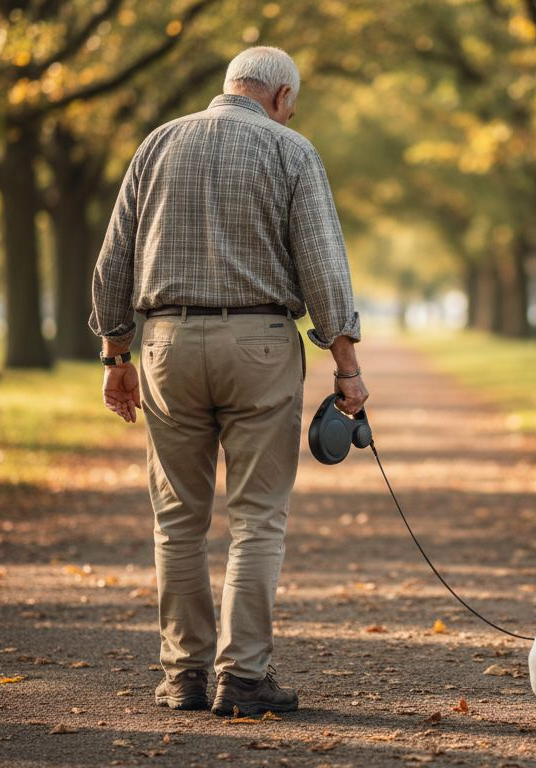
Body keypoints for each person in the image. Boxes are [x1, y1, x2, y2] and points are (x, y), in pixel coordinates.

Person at [88, 46, 368, 717]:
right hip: (260, 343)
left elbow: (114, 260)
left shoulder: (157, 143)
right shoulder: (291, 149)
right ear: (279, 96)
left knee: (177, 520)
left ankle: (182, 675)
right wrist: (348, 369)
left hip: (166, 345)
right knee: (257, 518)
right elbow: (324, 268)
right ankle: (242, 677)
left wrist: (115, 355)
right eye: (291, 104)